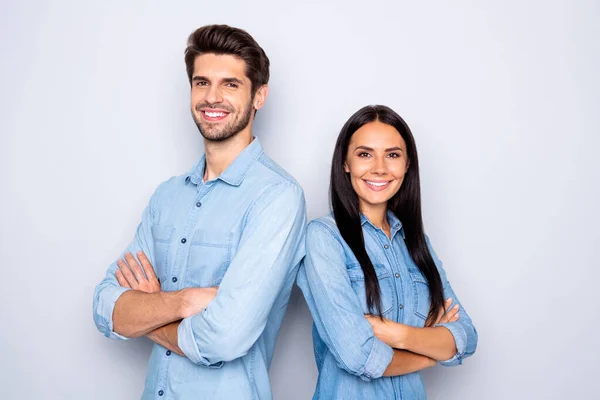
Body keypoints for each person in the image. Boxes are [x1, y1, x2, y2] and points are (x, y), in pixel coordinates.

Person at [92, 24, 306, 400]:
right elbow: (106, 307)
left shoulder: (278, 197)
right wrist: (184, 301)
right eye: (201, 82)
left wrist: (149, 311)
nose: (212, 97)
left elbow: (225, 338)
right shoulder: (166, 197)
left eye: (231, 84)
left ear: (259, 96)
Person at [297, 105, 477, 399]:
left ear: (407, 165)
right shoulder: (324, 238)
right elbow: (358, 355)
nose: (379, 168)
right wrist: (429, 352)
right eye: (365, 154)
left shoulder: (416, 242)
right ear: (345, 162)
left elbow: (466, 337)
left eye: (392, 154)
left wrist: (395, 334)